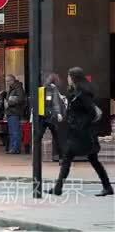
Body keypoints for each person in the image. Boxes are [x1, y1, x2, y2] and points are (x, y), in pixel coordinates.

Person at [46, 67, 113, 197]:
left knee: (69, 158)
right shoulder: (76, 91)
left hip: (83, 133)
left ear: (74, 77)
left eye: (69, 76)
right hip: (80, 133)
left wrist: (81, 125)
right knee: (91, 159)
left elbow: (91, 112)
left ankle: (58, 188)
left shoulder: (83, 93)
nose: (67, 79)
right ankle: (107, 186)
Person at [41, 73, 65, 160]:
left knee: (39, 136)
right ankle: (61, 157)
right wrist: (58, 113)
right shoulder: (53, 88)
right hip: (52, 116)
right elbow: (55, 102)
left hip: (44, 115)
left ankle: (38, 157)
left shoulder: (44, 88)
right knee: (57, 137)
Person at [4, 75, 26, 154]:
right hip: (11, 112)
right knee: (12, 131)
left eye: (8, 81)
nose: (7, 83)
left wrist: (9, 103)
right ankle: (13, 148)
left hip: (15, 112)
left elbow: (20, 99)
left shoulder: (17, 88)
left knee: (15, 131)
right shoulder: (12, 88)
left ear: (12, 80)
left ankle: (15, 148)